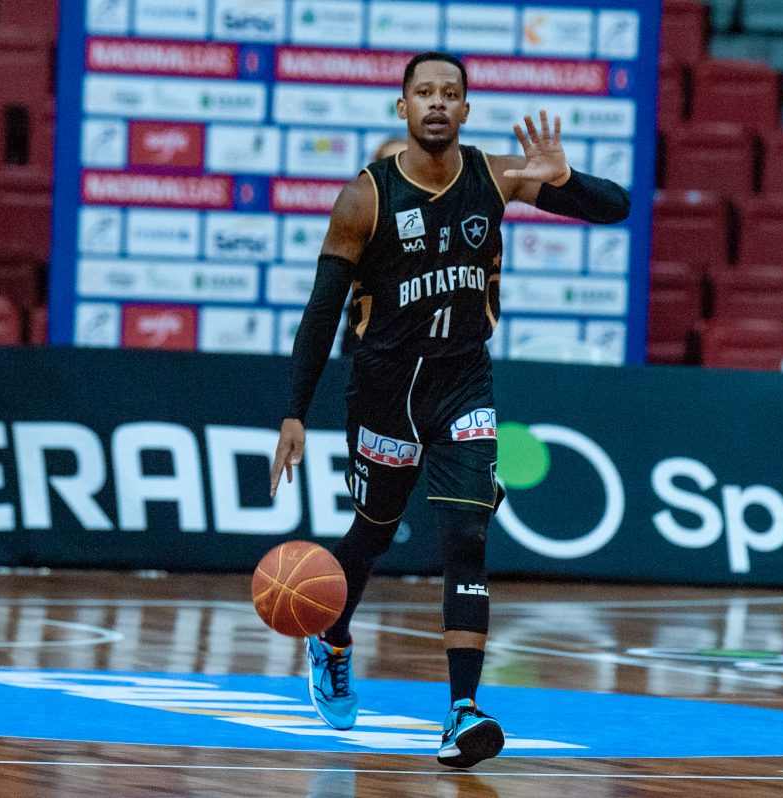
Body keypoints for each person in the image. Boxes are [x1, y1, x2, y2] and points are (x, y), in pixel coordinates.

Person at [268, 50, 629, 769]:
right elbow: (320, 312)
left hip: (463, 382)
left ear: (466, 109)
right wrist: (294, 412)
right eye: (424, 92)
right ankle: (332, 638)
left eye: (450, 92)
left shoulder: (498, 176)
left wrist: (567, 181)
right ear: (402, 107)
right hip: (384, 392)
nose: (437, 102)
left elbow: (616, 207)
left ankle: (462, 711)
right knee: (372, 533)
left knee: (465, 535)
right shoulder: (364, 199)